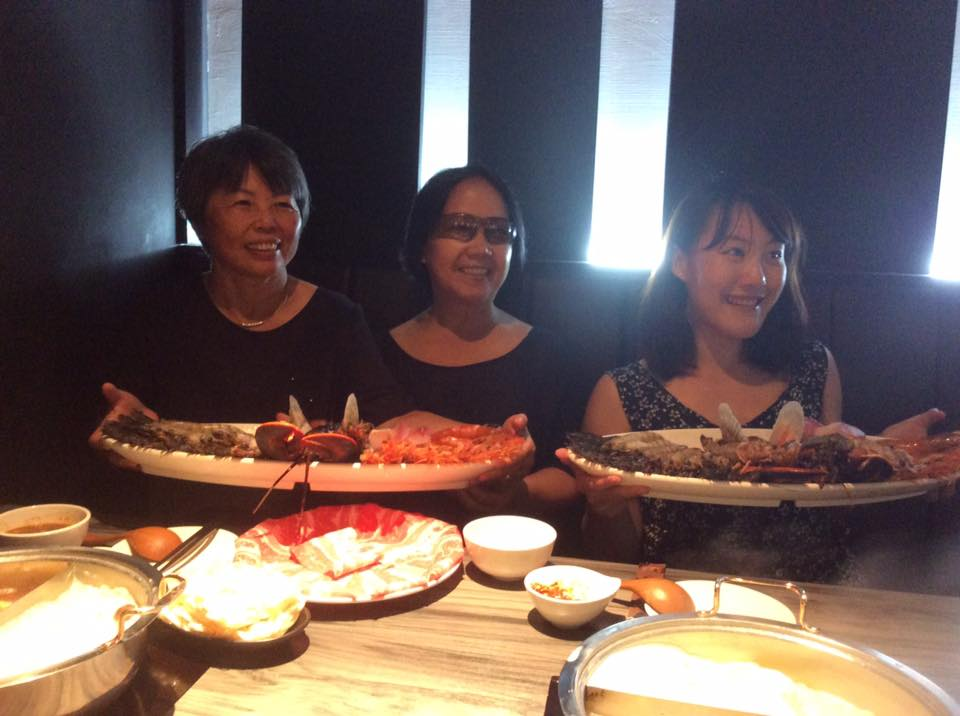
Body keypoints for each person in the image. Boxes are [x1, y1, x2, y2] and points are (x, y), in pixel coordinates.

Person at [88, 127, 530, 528]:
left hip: (306, 537)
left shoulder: (336, 318)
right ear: (201, 220)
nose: (268, 221)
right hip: (183, 532)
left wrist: (493, 441)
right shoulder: (163, 313)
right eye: (243, 203)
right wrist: (122, 429)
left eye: (284, 204)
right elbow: (131, 414)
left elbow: (395, 418)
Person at [561, 178, 945, 582]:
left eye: (774, 255)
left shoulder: (814, 368)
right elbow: (611, 558)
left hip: (813, 603)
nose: (757, 277)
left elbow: (835, 500)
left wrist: (892, 456)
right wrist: (604, 510)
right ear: (680, 262)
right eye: (735, 251)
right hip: (682, 607)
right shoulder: (622, 393)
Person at [380, 165, 583, 543]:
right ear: (423, 245)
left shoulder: (550, 354)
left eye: (498, 232)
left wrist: (517, 492)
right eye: (460, 227)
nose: (482, 248)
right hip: (391, 550)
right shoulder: (378, 351)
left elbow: (571, 475)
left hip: (509, 554)